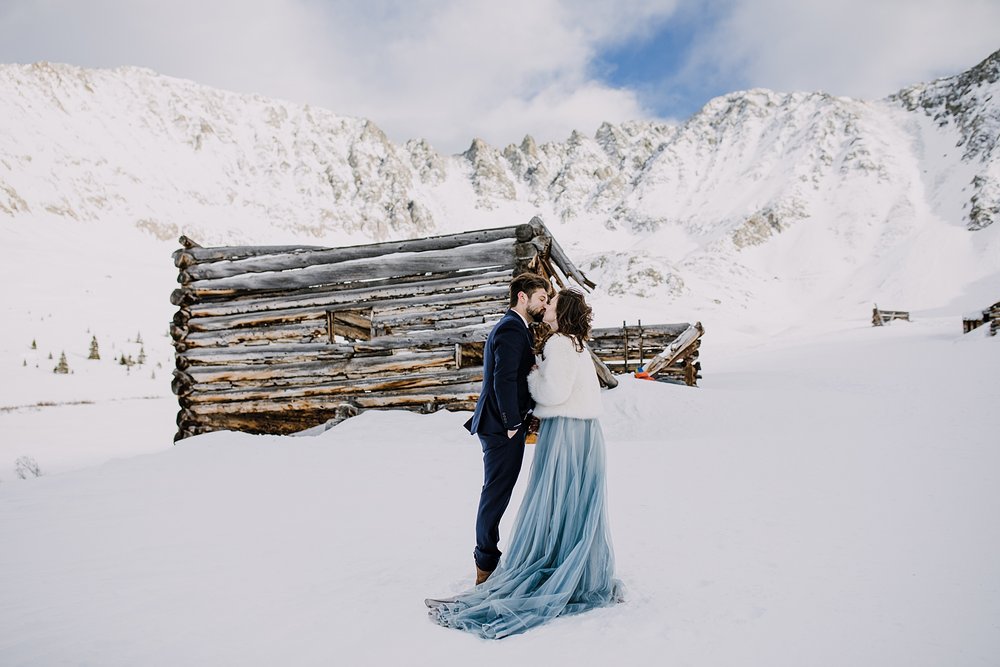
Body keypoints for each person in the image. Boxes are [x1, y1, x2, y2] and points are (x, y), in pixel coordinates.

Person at [429, 288, 623, 639]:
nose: (546, 305)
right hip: (585, 432)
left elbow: (554, 393)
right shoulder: (577, 343)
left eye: (553, 302)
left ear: (561, 312)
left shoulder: (560, 343)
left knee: (555, 500)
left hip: (566, 432)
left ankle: (536, 565)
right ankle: (572, 568)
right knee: (574, 503)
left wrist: (535, 376)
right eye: (544, 299)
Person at [463, 272, 551, 585]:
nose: (545, 303)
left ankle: (487, 560)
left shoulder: (518, 328)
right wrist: (512, 422)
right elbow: (503, 379)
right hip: (501, 427)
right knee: (496, 493)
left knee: (498, 491)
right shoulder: (512, 328)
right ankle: (485, 564)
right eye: (542, 297)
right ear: (522, 297)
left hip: (502, 424)